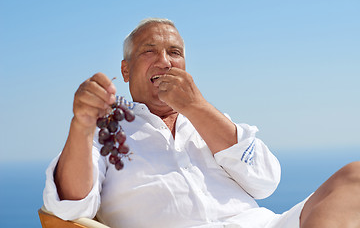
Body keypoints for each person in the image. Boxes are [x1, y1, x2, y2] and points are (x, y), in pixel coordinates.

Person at [43, 18, 360, 228]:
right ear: (125, 72)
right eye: (149, 52)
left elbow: (266, 180)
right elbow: (70, 210)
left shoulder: (208, 119)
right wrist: (82, 124)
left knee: (354, 178)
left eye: (175, 52)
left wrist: (196, 107)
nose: (165, 61)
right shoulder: (104, 134)